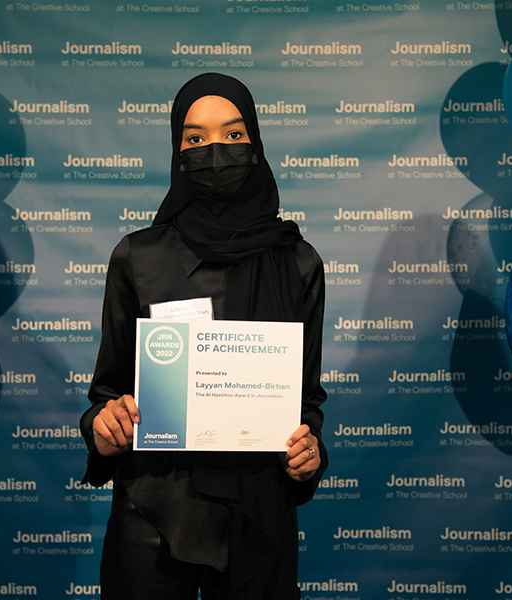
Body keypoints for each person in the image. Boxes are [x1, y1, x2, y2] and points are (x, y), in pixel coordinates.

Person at [79, 72, 327, 600]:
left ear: (256, 145)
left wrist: (310, 453)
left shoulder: (299, 264)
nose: (215, 151)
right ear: (177, 151)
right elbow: (106, 394)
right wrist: (103, 427)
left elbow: (305, 404)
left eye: (233, 136)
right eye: (195, 139)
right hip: (153, 514)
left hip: (257, 521)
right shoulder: (138, 257)